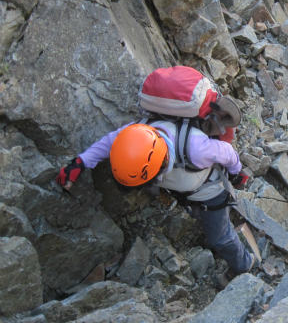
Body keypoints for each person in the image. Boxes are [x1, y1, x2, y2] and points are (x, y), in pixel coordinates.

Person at [55, 96, 256, 275]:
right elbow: (107, 143)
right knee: (199, 216)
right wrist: (80, 162)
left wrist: (236, 174)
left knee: (219, 237)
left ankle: (244, 265)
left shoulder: (196, 148)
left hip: (210, 194)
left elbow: (228, 154)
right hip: (187, 188)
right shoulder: (133, 136)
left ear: (160, 166)